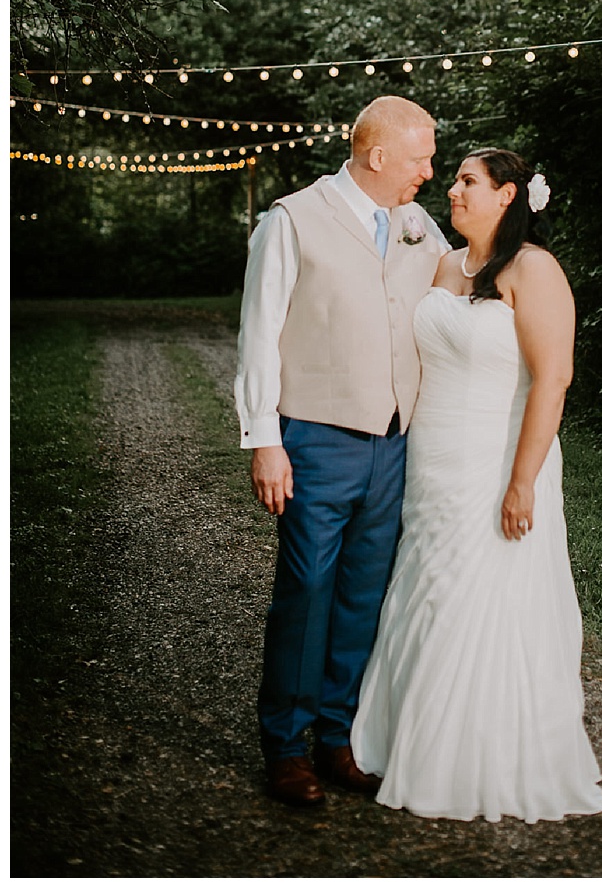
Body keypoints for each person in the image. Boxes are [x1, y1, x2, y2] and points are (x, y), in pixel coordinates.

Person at [350, 148, 602, 822]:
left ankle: (473, 755)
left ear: (508, 195)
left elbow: (552, 380)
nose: (455, 191)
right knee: (426, 590)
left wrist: (522, 481)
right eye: (457, 180)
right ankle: (403, 736)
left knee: (481, 598)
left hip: (498, 461)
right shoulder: (445, 265)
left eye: (469, 181)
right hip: (431, 462)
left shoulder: (536, 270)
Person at [238, 95, 450, 808]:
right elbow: (259, 333)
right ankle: (286, 746)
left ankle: (339, 738)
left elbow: (467, 283)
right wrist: (265, 439)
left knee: (365, 594)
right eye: (421, 156)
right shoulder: (291, 221)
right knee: (306, 592)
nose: (430, 169)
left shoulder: (419, 226)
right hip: (316, 438)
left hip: (394, 442)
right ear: (378, 155)